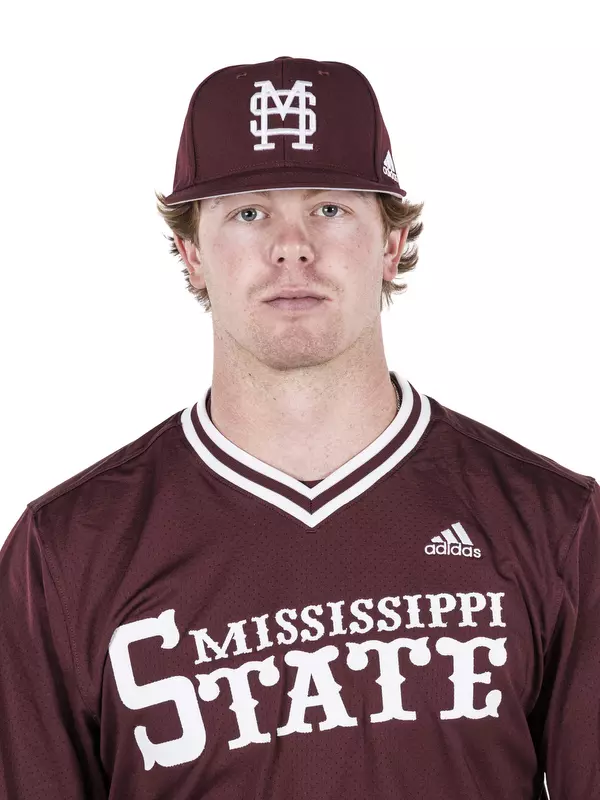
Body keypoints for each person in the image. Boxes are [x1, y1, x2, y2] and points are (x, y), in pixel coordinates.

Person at [0, 55, 598, 800]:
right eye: (248, 212)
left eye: (330, 208)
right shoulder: (62, 554)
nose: (291, 246)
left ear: (390, 243)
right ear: (191, 254)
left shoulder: (559, 526)